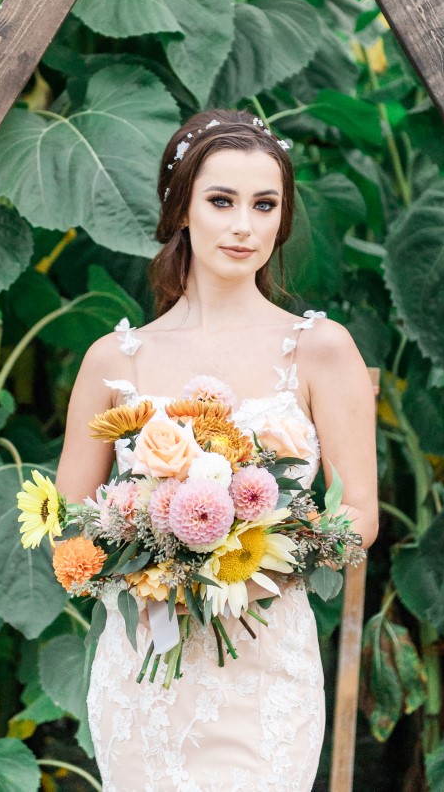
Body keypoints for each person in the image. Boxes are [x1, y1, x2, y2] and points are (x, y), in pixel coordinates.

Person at [56, 108, 379, 792]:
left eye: (265, 205)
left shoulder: (321, 349)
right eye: (221, 201)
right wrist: (148, 551)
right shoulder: (115, 358)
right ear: (182, 210)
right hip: (144, 666)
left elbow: (360, 518)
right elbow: (67, 528)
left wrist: (243, 559)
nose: (244, 225)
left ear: (283, 219)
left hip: (264, 662)